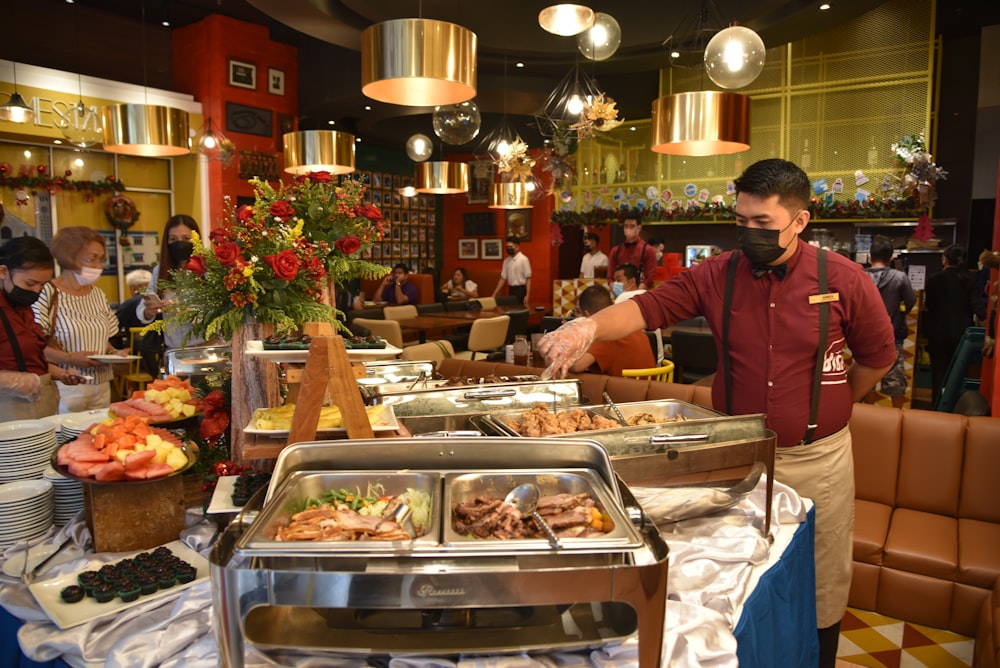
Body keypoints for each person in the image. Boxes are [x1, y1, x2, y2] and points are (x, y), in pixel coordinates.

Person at [539, 158, 896, 668]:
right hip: (736, 457)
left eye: (763, 224)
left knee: (821, 583)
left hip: (818, 463)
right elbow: (648, 308)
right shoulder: (717, 274)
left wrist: (829, 409)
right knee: (728, 583)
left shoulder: (844, 279)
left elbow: (878, 358)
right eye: (742, 222)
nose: (750, 234)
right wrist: (586, 328)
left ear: (800, 221)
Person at [34, 227, 130, 412]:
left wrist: (114, 353)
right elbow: (35, 346)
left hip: (101, 385)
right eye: (90, 259)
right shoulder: (48, 292)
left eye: (101, 259)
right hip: (66, 386)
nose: (98, 265)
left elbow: (103, 340)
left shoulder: (98, 295)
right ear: (68, 257)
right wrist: (70, 359)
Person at [0, 237, 85, 420]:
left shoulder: (24, 309)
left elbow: (29, 358)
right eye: (30, 284)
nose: (37, 291)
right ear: (3, 271)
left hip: (39, 407)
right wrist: (10, 381)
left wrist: (60, 373)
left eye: (43, 285)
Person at [923, 244, 987, 405]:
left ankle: (937, 405)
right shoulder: (970, 279)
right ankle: (953, 405)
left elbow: (928, 305)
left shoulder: (933, 279)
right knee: (957, 372)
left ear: (944, 259)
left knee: (938, 370)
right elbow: (977, 306)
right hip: (962, 333)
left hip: (936, 331)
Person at [136, 215, 203, 351]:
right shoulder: (160, 271)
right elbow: (141, 310)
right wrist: (149, 311)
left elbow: (216, 313)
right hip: (173, 352)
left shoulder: (207, 270)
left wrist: (181, 309)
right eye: (173, 239)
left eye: (186, 238)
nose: (179, 243)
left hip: (205, 349)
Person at [864, 236, 917, 408]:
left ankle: (868, 420)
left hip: (864, 337)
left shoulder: (860, 277)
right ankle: (897, 420)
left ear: (870, 256)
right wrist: (898, 312)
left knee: (866, 380)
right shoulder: (900, 277)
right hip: (892, 336)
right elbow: (910, 301)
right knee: (895, 382)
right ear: (890, 258)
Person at [569, 285, 654, 376]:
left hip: (624, 389)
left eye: (578, 312)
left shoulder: (605, 334)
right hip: (647, 387)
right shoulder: (630, 326)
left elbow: (576, 366)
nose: (575, 317)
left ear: (587, 315)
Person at [606, 213, 657, 290]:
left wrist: (635, 293)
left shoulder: (648, 250)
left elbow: (650, 278)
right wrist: (618, 291)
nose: (628, 229)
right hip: (619, 294)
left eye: (632, 226)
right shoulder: (615, 250)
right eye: (626, 226)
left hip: (640, 294)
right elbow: (610, 277)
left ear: (639, 228)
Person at [492, 236, 532, 306]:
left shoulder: (524, 259)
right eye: (507, 247)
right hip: (511, 289)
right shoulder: (506, 261)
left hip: (521, 290)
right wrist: (494, 294)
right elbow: (503, 278)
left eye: (510, 247)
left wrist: (527, 295)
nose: (508, 249)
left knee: (520, 311)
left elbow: (528, 278)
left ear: (517, 247)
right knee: (511, 310)